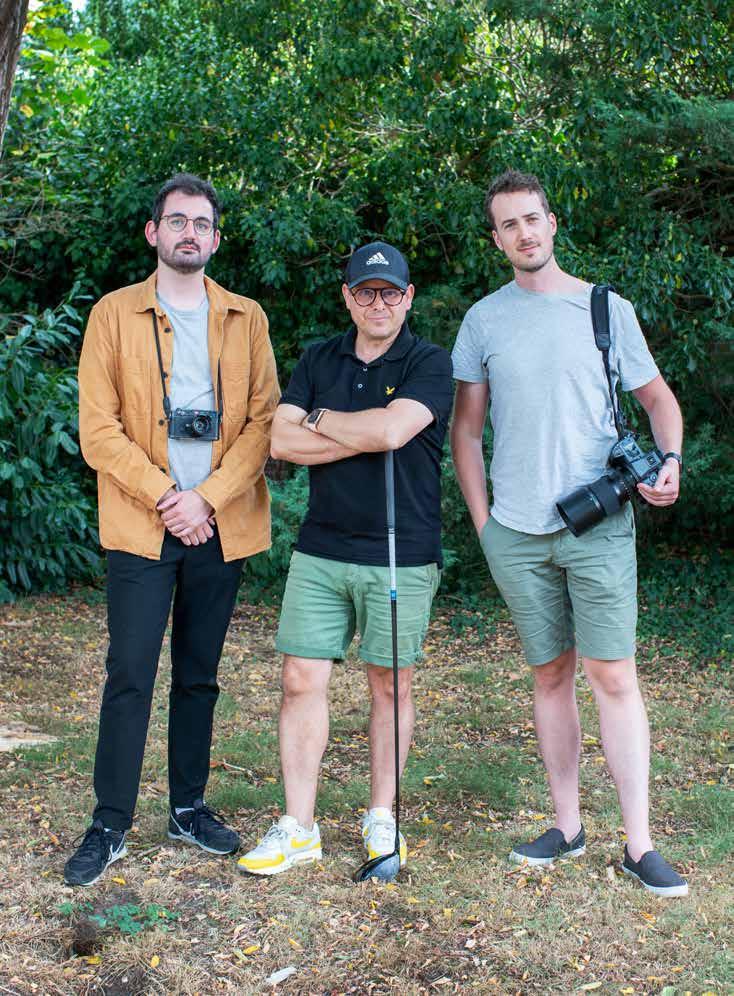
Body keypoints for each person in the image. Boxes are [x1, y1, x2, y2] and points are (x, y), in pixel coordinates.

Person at [450, 169, 688, 897]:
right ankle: (567, 826)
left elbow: (659, 401)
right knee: (550, 675)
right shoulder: (483, 321)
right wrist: (485, 524)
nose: (523, 233)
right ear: (496, 239)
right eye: (508, 224)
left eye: (532, 218)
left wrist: (671, 461)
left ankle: (640, 843)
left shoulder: (606, 309)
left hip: (598, 525)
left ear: (551, 222)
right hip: (517, 533)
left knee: (613, 676)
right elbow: (466, 431)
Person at [65, 173, 280, 886]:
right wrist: (168, 496)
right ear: (153, 232)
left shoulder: (246, 317)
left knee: (198, 675)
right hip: (141, 523)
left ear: (216, 238)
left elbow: (263, 421)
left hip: (220, 522)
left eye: (203, 223)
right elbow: (97, 429)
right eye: (178, 221)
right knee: (130, 673)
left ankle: (188, 808)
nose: (191, 232)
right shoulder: (112, 314)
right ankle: (110, 822)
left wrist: (207, 499)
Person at [238, 242, 453, 875]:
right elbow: (280, 440)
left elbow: (392, 431)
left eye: (390, 293)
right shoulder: (318, 357)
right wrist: (366, 431)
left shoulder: (429, 361)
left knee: (390, 683)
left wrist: (324, 420)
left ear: (408, 297)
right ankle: (299, 827)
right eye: (365, 292)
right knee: (299, 680)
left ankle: (381, 814)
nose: (377, 303)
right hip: (321, 548)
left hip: (400, 551)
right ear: (348, 297)